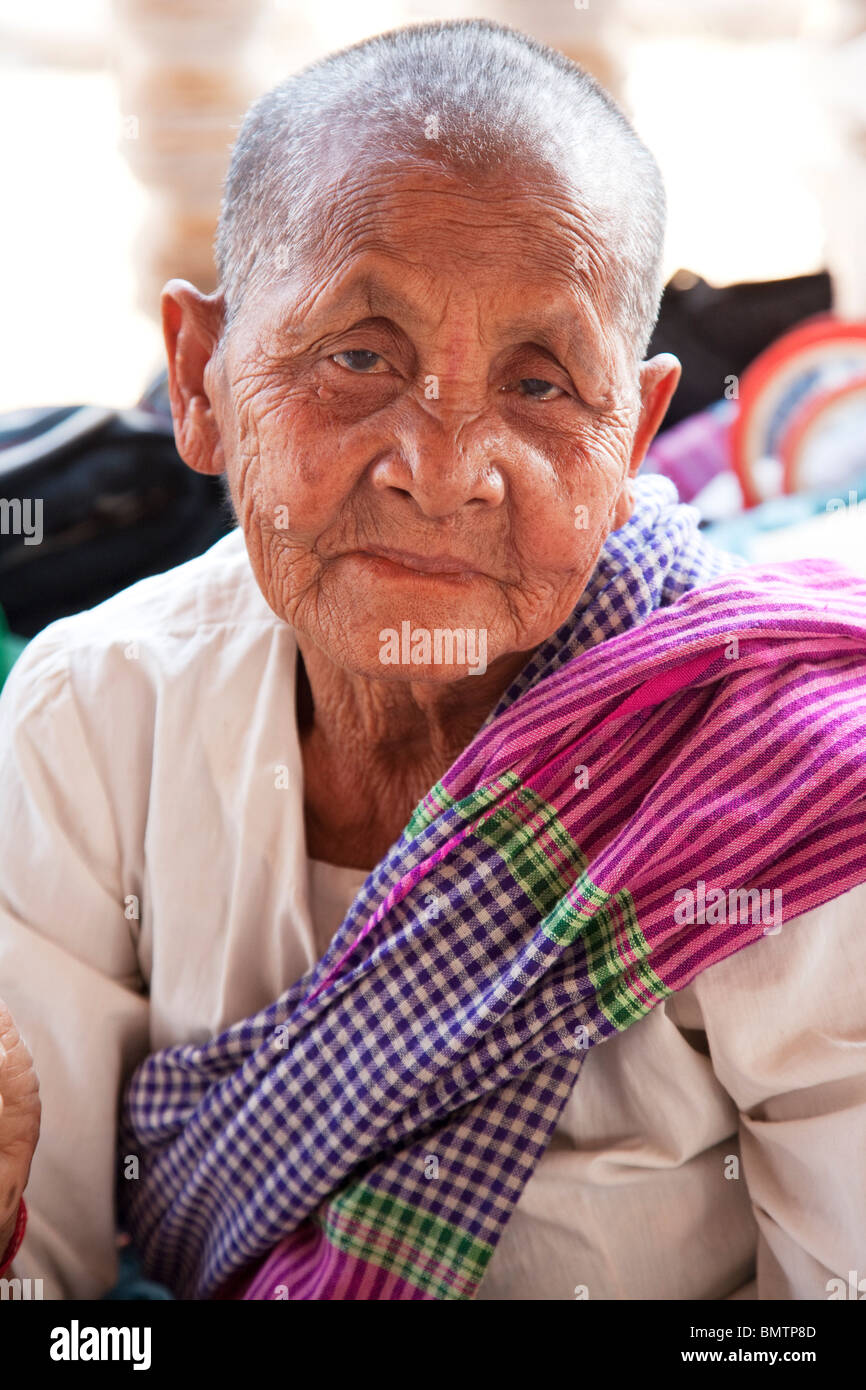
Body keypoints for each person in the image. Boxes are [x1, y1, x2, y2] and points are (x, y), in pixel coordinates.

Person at [2, 20, 866, 1302]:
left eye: (538, 385)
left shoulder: (779, 798)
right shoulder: (95, 717)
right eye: (358, 356)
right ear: (198, 380)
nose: (444, 464)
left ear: (630, 443)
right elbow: (64, 1307)